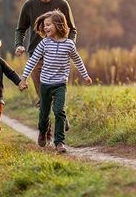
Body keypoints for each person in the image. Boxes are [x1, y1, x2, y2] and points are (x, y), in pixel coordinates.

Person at [14, 0, 77, 138]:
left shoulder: (62, 4)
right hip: (37, 57)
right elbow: (20, 29)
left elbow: (72, 30)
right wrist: (19, 44)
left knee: (57, 93)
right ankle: (45, 132)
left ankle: (59, 119)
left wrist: (68, 46)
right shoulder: (29, 5)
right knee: (43, 96)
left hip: (57, 57)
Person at [19, 10, 92, 153]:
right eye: (44, 25)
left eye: (48, 25)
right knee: (44, 114)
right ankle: (42, 132)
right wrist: (23, 78)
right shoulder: (44, 43)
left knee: (59, 111)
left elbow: (77, 60)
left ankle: (59, 142)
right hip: (45, 84)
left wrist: (85, 75)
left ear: (58, 25)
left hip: (60, 84)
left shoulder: (69, 44)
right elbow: (32, 61)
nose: (45, 28)